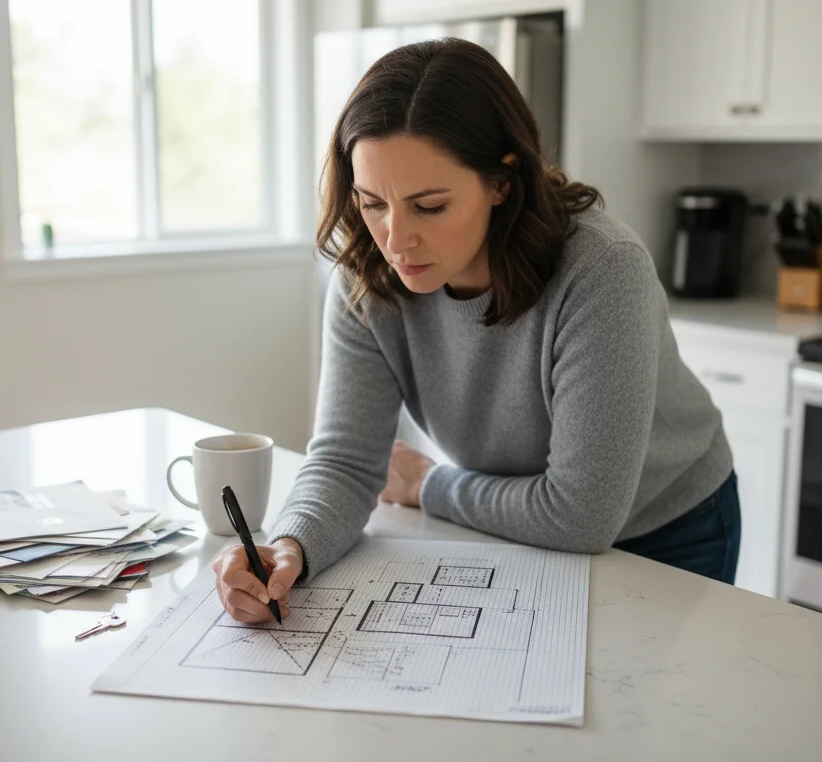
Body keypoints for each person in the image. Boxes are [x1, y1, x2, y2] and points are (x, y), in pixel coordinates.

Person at [212, 38, 739, 624]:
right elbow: (346, 463)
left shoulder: (603, 270)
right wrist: (290, 548)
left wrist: (430, 486)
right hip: (515, 519)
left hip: (667, 526)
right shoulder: (369, 277)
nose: (395, 239)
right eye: (371, 203)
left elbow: (581, 517)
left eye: (429, 206)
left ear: (501, 182)